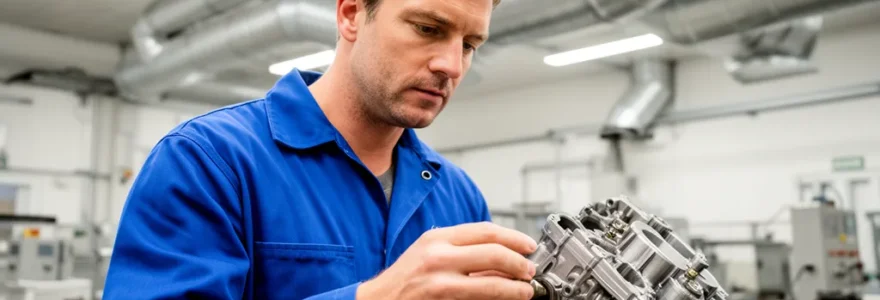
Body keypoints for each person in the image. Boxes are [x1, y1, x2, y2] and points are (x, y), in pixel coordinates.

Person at [103, 0, 539, 299]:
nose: (451, 64)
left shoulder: (459, 196)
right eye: (428, 29)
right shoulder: (209, 161)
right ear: (351, 14)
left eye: (468, 46)